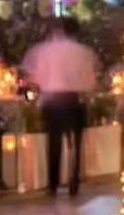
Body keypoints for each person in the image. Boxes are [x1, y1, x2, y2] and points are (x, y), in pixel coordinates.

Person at [22, 20, 100, 196]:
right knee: (75, 144)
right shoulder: (83, 52)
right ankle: (74, 181)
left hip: (51, 101)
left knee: (54, 142)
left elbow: (33, 77)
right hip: (74, 100)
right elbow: (90, 80)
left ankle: (53, 183)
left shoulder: (41, 51)